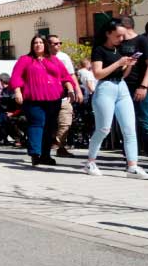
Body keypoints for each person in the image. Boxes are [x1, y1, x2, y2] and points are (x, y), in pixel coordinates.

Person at [83, 19, 148, 179]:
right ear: (108, 33)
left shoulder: (120, 50)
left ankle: (132, 166)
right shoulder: (99, 50)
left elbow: (123, 74)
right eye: (118, 36)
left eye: (122, 36)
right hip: (105, 88)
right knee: (104, 129)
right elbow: (98, 74)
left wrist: (129, 64)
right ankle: (90, 161)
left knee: (129, 129)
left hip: (122, 87)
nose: (121, 39)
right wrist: (118, 63)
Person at [10, 35, 76, 167]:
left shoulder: (54, 60)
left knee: (50, 127)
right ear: (32, 45)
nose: (38, 45)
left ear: (45, 45)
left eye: (40, 42)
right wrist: (17, 92)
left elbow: (65, 76)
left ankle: (46, 155)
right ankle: (35, 154)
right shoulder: (25, 60)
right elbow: (16, 76)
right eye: (35, 42)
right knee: (37, 124)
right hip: (33, 99)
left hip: (54, 99)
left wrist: (70, 89)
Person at [47, 34, 83, 158]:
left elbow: (71, 75)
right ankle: (49, 146)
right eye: (55, 43)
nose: (59, 46)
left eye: (60, 43)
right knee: (50, 123)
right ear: (48, 45)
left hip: (64, 96)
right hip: (48, 97)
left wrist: (77, 90)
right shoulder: (42, 58)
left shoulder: (64, 57)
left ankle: (59, 145)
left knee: (66, 122)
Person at [118, 17, 148, 156]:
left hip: (139, 87)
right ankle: (130, 156)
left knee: (143, 121)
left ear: (125, 26)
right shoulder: (119, 43)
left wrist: (143, 86)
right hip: (123, 86)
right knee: (126, 123)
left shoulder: (142, 40)